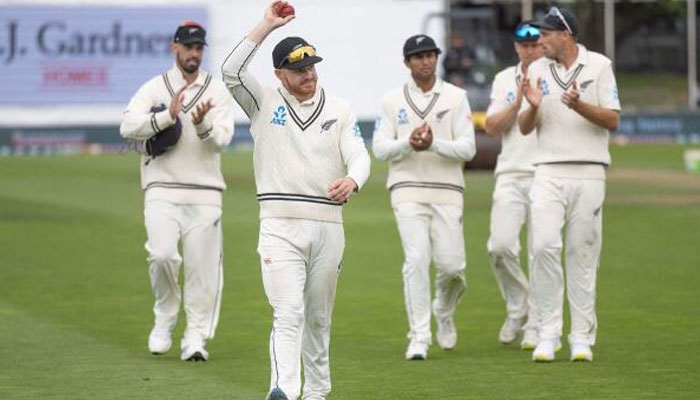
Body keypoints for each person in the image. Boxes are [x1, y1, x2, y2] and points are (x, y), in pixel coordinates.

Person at [221, 2, 370, 399]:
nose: (308, 74)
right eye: (298, 69)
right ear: (279, 74)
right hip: (279, 227)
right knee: (288, 314)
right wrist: (266, 25)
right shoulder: (262, 102)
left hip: (328, 226)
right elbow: (230, 72)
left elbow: (359, 153)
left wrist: (353, 180)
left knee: (319, 320)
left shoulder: (339, 108)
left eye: (311, 66)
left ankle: (317, 392)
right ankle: (283, 389)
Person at [120, 22, 235, 361]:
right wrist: (164, 119)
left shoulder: (217, 90)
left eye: (199, 48)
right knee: (162, 255)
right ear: (175, 49)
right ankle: (165, 317)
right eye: (188, 48)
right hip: (161, 187)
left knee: (203, 269)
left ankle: (196, 337)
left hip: (206, 191)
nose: (194, 54)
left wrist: (201, 125)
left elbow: (223, 140)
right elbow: (127, 125)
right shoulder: (156, 87)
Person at [518, 6, 620, 362]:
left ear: (565, 34)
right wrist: (531, 106)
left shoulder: (599, 66)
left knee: (582, 253)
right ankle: (548, 333)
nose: (538, 41)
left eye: (544, 34)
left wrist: (579, 106)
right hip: (547, 169)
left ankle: (581, 336)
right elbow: (525, 127)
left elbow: (612, 120)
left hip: (590, 170)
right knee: (543, 247)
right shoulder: (535, 69)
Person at [373, 34, 476, 361]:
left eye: (430, 55)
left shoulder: (456, 97)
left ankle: (443, 311)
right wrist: (409, 143)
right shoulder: (392, 100)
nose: (425, 61)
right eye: (418, 57)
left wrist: (432, 145)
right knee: (416, 260)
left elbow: (468, 148)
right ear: (407, 63)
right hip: (407, 189)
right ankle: (418, 335)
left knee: (453, 267)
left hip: (447, 189)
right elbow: (379, 148)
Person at [484, 21, 543, 350]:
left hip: (545, 174)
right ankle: (519, 304)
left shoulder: (553, 75)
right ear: (517, 47)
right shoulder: (504, 79)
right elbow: (492, 127)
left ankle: (535, 323)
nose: (531, 50)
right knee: (500, 247)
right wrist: (518, 99)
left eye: (536, 44)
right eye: (525, 45)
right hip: (510, 172)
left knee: (540, 251)